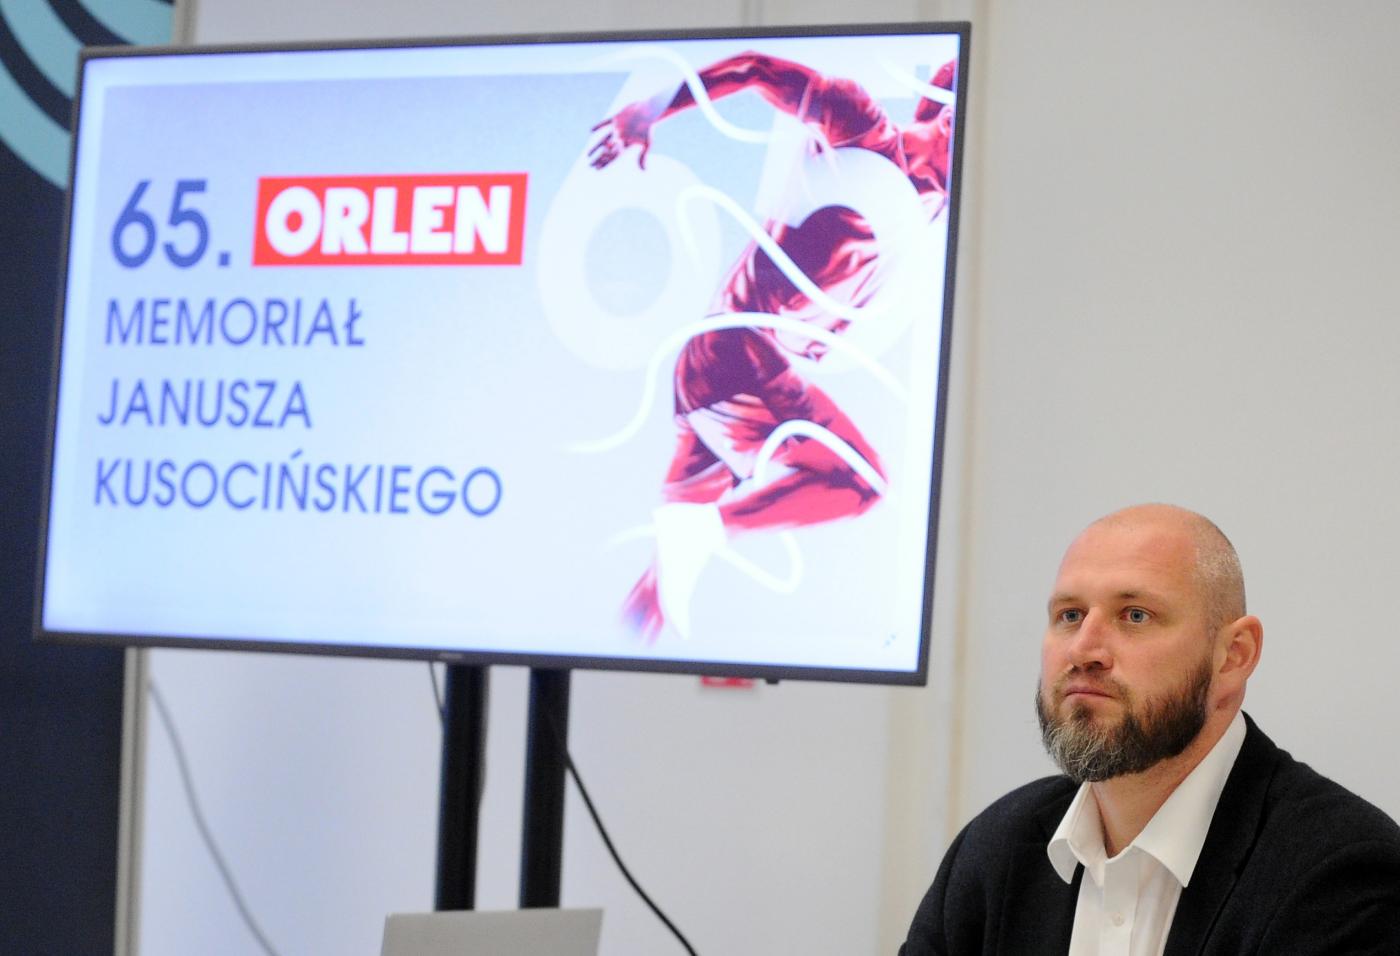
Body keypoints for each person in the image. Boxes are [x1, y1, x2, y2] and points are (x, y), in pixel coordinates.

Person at [901, 503, 1400, 954]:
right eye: (1070, 615)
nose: (1083, 650)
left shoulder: (1340, 873)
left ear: (1234, 656)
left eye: (1135, 615)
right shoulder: (995, 848)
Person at [587, 51, 957, 640]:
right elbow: (756, 68)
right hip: (739, 354)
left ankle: (622, 637)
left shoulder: (933, 200)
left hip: (718, 367)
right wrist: (649, 110)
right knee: (859, 481)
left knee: (659, 587)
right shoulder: (863, 129)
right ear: (950, 116)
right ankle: (709, 529)